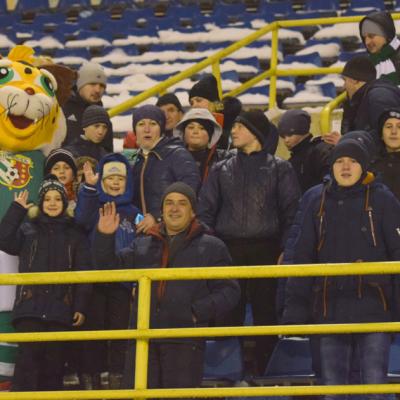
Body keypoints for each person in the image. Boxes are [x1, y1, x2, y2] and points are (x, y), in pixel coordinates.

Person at [282, 137, 400, 400]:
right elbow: (302, 257)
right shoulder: (316, 200)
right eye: (340, 161)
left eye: (353, 161)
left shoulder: (383, 199)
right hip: (329, 310)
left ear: (364, 166)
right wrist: (294, 312)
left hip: (375, 310)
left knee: (375, 390)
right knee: (333, 390)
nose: (345, 167)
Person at [93, 182, 240, 390]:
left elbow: (229, 291)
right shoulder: (143, 244)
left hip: (184, 341)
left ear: (193, 212)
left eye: (182, 203)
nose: (174, 208)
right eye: (169, 203)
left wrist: (195, 312)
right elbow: (107, 268)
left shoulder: (212, 247)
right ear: (161, 211)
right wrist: (104, 236)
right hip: (143, 339)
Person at [198, 109, 301, 375]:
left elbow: (292, 213)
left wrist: (285, 249)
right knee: (226, 313)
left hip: (268, 250)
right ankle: (225, 374)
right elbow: (205, 211)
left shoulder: (280, 168)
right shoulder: (220, 169)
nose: (233, 131)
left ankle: (268, 374)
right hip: (227, 250)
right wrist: (213, 249)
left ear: (256, 133)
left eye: (240, 127)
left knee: (267, 314)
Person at [0, 176, 91, 392]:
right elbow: (4, 240)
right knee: (27, 365)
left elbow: (83, 272)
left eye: (57, 199)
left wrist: (80, 306)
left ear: (65, 203)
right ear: (41, 203)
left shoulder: (75, 234)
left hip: (60, 310)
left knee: (53, 367)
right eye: (47, 199)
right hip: (29, 309)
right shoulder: (27, 229)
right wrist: (16, 210)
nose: (52, 203)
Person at [74, 152, 140, 390]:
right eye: (110, 178)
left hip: (123, 283)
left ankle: (117, 376)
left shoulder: (134, 213)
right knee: (94, 332)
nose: (115, 183)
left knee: (120, 332)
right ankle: (91, 376)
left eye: (120, 179)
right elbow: (81, 219)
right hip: (95, 281)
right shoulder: (94, 207)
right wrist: (89, 189)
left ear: (128, 182)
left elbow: (142, 246)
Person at [131, 104, 200, 235]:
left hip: (173, 233)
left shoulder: (177, 154)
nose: (147, 129)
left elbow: (190, 191)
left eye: (153, 124)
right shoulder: (135, 160)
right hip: (143, 234)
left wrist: (157, 216)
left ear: (161, 129)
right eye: (141, 124)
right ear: (135, 130)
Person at [340, 54, 400, 142]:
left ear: (354, 80)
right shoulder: (360, 98)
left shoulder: (379, 97)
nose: (343, 87)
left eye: (345, 80)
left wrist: (347, 141)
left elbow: (387, 140)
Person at [62, 62, 113, 152]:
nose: (97, 90)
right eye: (92, 84)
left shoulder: (103, 116)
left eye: (102, 86)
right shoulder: (61, 108)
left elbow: (107, 151)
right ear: (80, 85)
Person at [278, 109, 332, 193]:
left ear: (302, 131)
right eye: (283, 136)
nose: (286, 140)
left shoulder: (320, 151)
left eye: (290, 135)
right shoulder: (293, 160)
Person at [174, 108, 231, 183]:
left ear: (210, 135)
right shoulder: (172, 158)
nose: (195, 132)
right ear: (183, 133)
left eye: (202, 128)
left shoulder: (224, 159)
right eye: (191, 127)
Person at [188, 74, 242, 149]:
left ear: (214, 103)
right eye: (191, 103)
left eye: (199, 100)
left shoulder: (235, 124)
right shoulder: (188, 127)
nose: (194, 106)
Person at [359, 10, 400, 85]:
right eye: (364, 38)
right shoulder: (368, 63)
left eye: (371, 36)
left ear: (386, 35)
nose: (367, 42)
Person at [371, 108, 400, 200]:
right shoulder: (370, 165)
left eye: (399, 127)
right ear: (381, 135)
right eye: (389, 127)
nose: (394, 132)